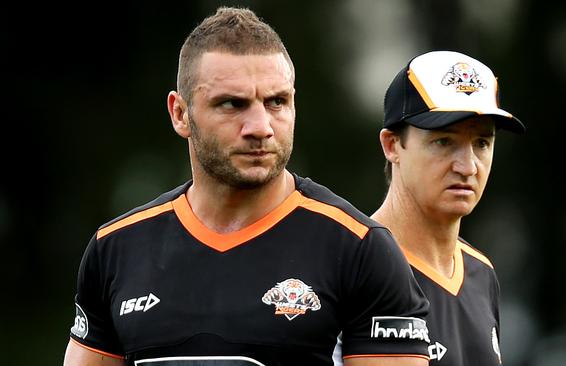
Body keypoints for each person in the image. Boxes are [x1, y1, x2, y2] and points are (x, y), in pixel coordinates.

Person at [63, 7, 431, 366]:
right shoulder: (115, 249)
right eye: (232, 104)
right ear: (180, 114)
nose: (260, 126)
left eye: (276, 102)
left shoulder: (360, 250)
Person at [371, 50, 525, 365]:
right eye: (444, 141)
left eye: (482, 143)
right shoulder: (352, 264)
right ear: (392, 145)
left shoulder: (481, 273)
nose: (468, 166)